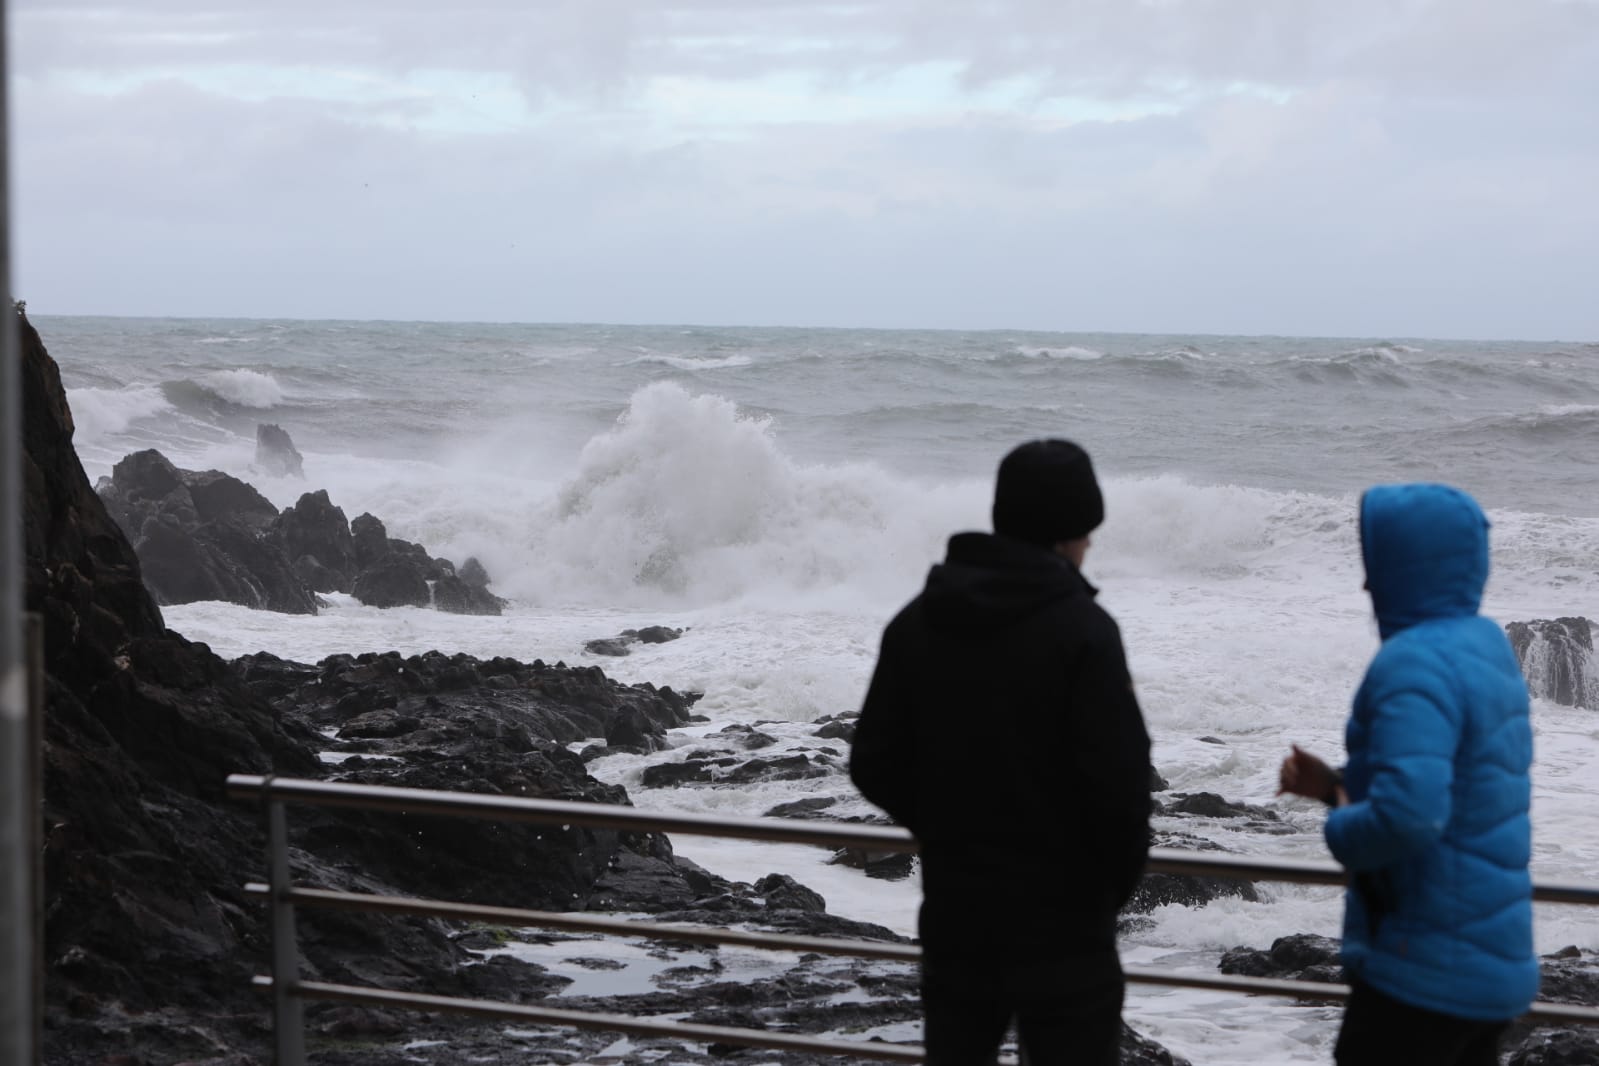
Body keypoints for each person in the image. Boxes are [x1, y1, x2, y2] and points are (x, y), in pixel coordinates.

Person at [850, 439, 1153, 1066]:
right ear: (1076, 528)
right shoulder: (1084, 631)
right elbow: (1121, 789)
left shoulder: (919, 620)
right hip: (1065, 926)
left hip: (959, 913)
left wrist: (947, 830)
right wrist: (1100, 894)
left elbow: (873, 760)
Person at [1279, 483, 1538, 1066]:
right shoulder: (1486, 646)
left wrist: (1339, 828)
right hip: (1490, 968)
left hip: (1421, 972)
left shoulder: (1413, 661)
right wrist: (1333, 787)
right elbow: (1465, 786)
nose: (1369, 583)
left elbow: (1410, 816)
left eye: (1378, 564)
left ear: (1407, 568)